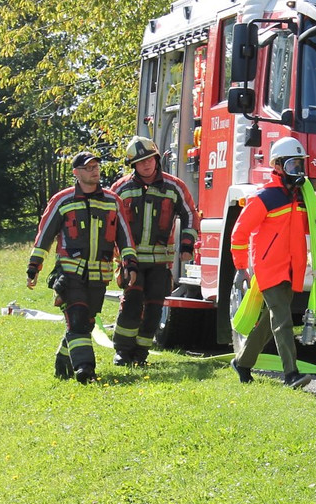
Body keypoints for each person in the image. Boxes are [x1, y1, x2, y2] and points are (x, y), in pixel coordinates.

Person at [27, 151, 138, 383]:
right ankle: (85, 370)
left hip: (99, 277)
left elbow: (125, 236)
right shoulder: (63, 200)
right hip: (70, 275)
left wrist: (130, 264)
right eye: (88, 168)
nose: (94, 171)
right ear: (76, 173)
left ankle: (63, 361)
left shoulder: (112, 201)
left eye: (96, 166)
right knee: (76, 317)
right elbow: (44, 235)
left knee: (86, 323)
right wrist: (34, 267)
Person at [228, 136, 316, 389]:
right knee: (283, 320)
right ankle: (291, 374)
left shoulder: (301, 198)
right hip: (269, 268)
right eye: (292, 165)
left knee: (271, 321)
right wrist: (241, 267)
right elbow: (240, 233)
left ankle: (242, 363)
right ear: (277, 166)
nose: (297, 171)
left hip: (292, 268)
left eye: (300, 165)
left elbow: (304, 229)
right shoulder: (264, 197)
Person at [110, 136, 200, 366]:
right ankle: (122, 351)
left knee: (154, 307)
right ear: (134, 166)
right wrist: (111, 253)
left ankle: (141, 353)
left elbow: (190, 214)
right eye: (141, 162)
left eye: (150, 159)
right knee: (132, 301)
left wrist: (187, 245)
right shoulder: (120, 188)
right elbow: (110, 221)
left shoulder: (174, 186)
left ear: (157, 159)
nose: (146, 165)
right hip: (132, 260)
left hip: (161, 263)